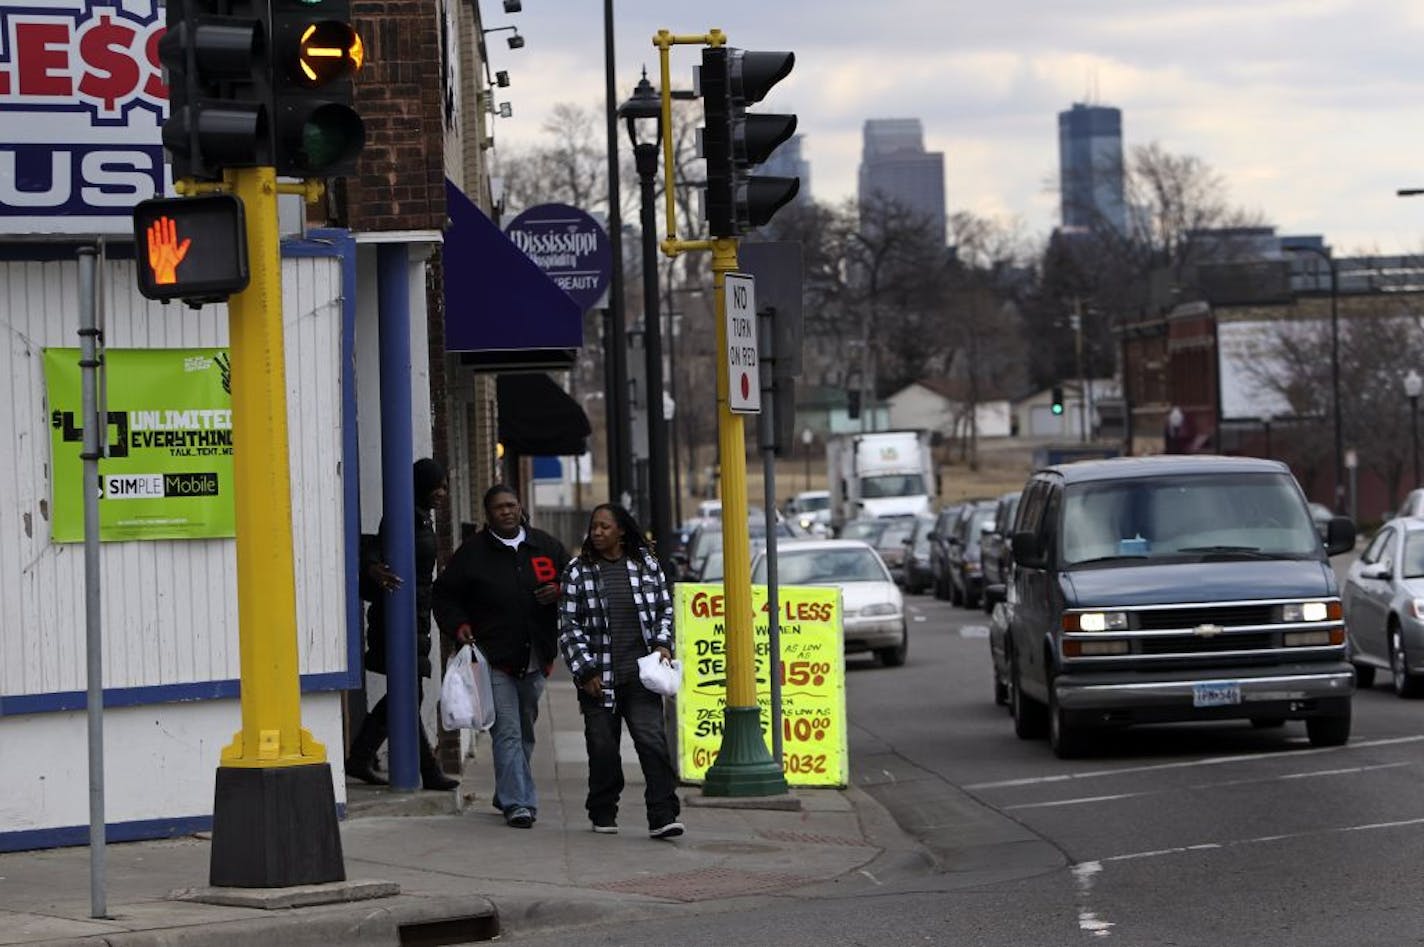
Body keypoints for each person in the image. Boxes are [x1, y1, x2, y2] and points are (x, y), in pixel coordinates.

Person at [433, 485, 569, 828]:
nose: (506, 511)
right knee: (506, 731)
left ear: (520, 507)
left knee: (524, 731)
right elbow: (445, 595)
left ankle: (508, 790)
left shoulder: (546, 546)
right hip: (494, 657)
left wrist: (561, 591)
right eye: (498, 508)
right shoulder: (473, 554)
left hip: (536, 656)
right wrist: (458, 625)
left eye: (511, 505)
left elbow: (577, 583)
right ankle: (518, 803)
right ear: (488, 514)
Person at [559, 503, 684, 839]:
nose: (597, 533)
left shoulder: (646, 566)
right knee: (602, 749)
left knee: (652, 744)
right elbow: (569, 627)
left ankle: (663, 815)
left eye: (604, 527)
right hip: (598, 679)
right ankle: (602, 810)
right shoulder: (577, 571)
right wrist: (585, 671)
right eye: (593, 527)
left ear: (622, 531)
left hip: (640, 677)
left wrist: (662, 644)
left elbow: (664, 610)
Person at [346, 458, 460, 792]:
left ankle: (361, 756)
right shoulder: (403, 515)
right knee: (408, 693)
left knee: (405, 693)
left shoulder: (422, 518)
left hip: (416, 614)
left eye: (444, 486)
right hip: (396, 615)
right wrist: (373, 569)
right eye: (436, 486)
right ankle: (427, 769)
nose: (441, 493)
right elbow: (375, 551)